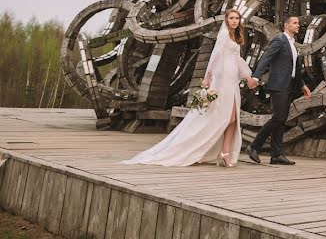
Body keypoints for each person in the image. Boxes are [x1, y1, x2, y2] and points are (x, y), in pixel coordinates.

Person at [122, 10, 252, 167]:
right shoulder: (224, 35)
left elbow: (237, 60)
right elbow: (215, 56)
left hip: (232, 81)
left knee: (233, 119)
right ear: (226, 20)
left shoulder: (236, 37)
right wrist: (208, 76)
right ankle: (203, 148)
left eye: (237, 18)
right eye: (231, 18)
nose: (234, 21)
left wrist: (247, 77)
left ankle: (224, 152)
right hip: (223, 79)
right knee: (223, 117)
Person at [246, 16, 311, 165]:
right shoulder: (279, 40)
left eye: (298, 23)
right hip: (278, 85)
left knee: (281, 121)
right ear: (286, 25)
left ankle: (276, 155)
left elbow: (295, 69)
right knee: (278, 118)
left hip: (289, 86)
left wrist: (302, 85)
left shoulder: (293, 45)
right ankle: (254, 146)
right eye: (295, 23)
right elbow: (266, 58)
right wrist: (256, 77)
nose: (298, 25)